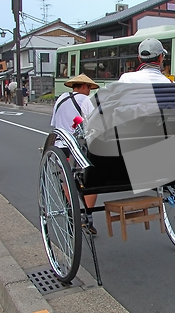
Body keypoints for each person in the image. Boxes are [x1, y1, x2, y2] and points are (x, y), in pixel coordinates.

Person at [50, 74, 100, 233]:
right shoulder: (85, 100)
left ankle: (73, 213)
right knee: (91, 181)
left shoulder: (60, 99)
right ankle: (88, 216)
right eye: (89, 89)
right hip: (78, 147)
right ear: (84, 86)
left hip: (60, 147)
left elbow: (54, 123)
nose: (89, 92)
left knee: (68, 181)